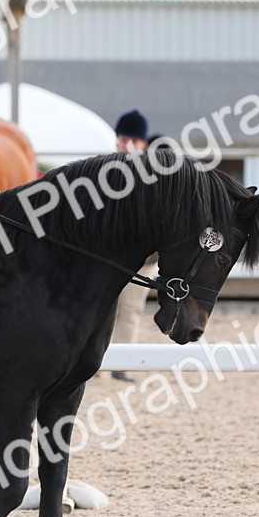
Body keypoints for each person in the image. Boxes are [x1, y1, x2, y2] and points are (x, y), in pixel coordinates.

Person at [109, 111, 158, 383]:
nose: (127, 144)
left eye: (133, 140)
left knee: (131, 309)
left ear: (144, 144)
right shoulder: (104, 173)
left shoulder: (153, 176)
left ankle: (121, 363)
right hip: (107, 257)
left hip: (143, 259)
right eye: (123, 138)